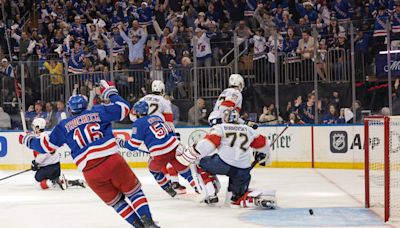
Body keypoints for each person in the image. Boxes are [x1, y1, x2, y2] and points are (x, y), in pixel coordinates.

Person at [19, 80, 159, 228]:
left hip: (91, 173)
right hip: (111, 160)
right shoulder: (98, 111)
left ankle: (139, 226)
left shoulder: (63, 126)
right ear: (86, 105)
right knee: (133, 192)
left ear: (70, 109)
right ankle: (149, 223)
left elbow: (45, 145)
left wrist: (27, 139)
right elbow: (124, 108)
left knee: (117, 202)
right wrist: (110, 91)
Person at [176, 109, 276, 208]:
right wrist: (262, 155)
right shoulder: (249, 130)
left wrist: (192, 151)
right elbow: (263, 143)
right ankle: (255, 200)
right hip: (243, 170)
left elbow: (206, 146)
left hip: (223, 165)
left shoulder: (221, 128)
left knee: (198, 162)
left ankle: (211, 192)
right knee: (234, 201)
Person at [120, 101, 196, 197]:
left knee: (153, 169)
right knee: (183, 169)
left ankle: (167, 188)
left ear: (137, 112)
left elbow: (133, 146)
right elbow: (170, 130)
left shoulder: (138, 123)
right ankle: (197, 186)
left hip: (160, 153)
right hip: (174, 146)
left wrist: (122, 143)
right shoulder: (157, 117)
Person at [29, 118, 85, 190]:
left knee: (38, 183)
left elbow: (43, 153)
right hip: (56, 166)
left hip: (48, 168)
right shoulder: (47, 136)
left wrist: (35, 163)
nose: (33, 128)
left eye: (34, 126)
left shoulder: (39, 139)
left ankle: (53, 181)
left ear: (37, 127)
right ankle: (71, 182)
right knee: (57, 184)